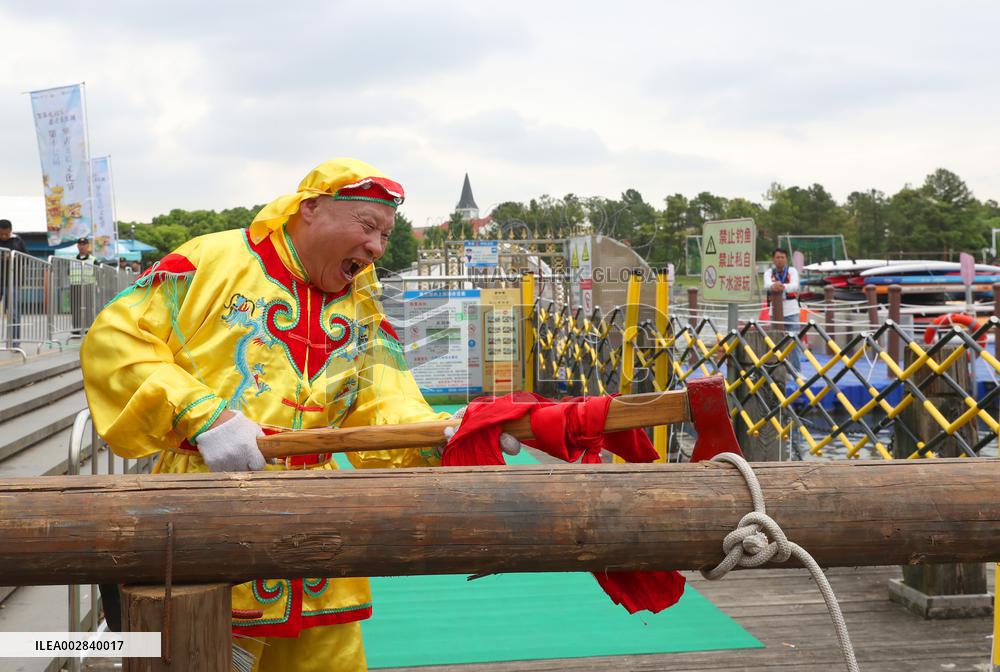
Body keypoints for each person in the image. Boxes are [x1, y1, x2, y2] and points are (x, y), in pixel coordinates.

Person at [80, 158, 516, 672]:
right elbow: (115, 340)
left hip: (320, 539)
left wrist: (448, 435)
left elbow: (386, 403)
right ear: (310, 209)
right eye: (367, 226)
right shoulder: (211, 261)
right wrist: (205, 415)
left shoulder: (362, 307)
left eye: (384, 233)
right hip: (204, 510)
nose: (377, 247)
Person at [0, 219, 28, 347]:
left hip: (12, 281)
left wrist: (13, 257)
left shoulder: (17, 241)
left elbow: (26, 258)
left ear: (10, 231)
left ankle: (15, 341)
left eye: (6, 234)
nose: (3, 237)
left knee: (14, 312)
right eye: (1, 234)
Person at [69, 237, 96, 335]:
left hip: (88, 286)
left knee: (88, 307)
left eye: (84, 244)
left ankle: (88, 327)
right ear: (77, 246)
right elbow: (69, 272)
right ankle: (77, 328)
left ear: (88, 246)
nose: (82, 246)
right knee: (75, 307)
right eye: (80, 244)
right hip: (75, 285)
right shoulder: (72, 259)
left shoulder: (93, 260)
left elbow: (97, 273)